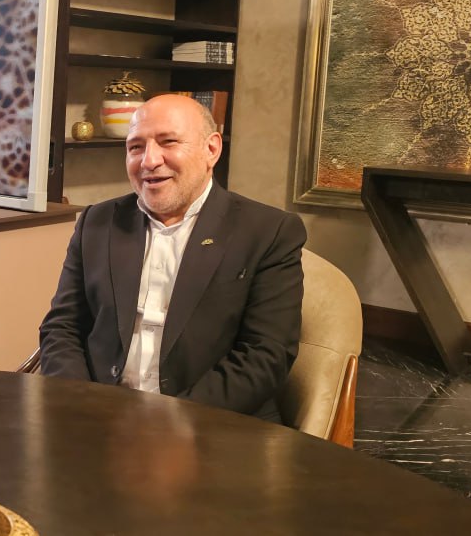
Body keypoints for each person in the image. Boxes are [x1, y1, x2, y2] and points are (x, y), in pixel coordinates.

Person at [38, 94, 306, 423]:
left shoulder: (268, 231)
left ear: (211, 149)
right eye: (135, 147)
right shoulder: (97, 222)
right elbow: (62, 327)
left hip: (212, 425)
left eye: (168, 142)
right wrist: (82, 404)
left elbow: (266, 356)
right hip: (98, 418)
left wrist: (171, 422)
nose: (149, 161)